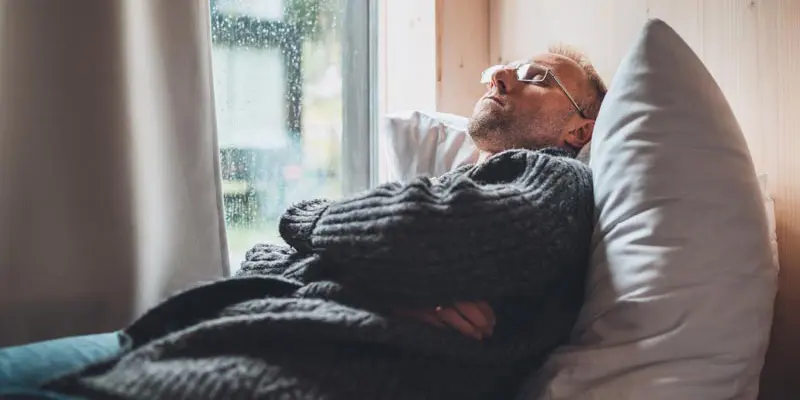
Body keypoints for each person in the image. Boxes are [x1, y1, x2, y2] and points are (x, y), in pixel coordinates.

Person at [0, 45, 607, 400]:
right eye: (505, 68)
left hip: (291, 365)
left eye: (535, 78)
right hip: (208, 330)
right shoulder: (437, 190)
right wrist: (383, 276)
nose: (499, 76)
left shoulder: (555, 178)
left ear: (580, 129)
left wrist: (324, 226)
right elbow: (266, 261)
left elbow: (417, 235)